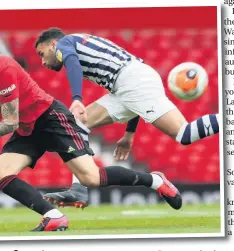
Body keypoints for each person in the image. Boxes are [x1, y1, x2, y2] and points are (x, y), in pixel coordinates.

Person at [0, 27, 183, 231]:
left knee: (90, 179)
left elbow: (9, 122)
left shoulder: (3, 68)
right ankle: (53, 217)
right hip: (29, 128)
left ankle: (156, 181)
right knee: (0, 174)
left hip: (50, 118)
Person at [34, 27, 219, 208]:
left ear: (52, 44)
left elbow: (72, 61)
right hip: (126, 84)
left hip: (131, 82)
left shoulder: (63, 44)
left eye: (42, 54)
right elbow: (130, 88)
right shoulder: (81, 41)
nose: (42, 62)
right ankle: (79, 189)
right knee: (74, 125)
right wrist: (129, 133)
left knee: (184, 134)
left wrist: (76, 99)